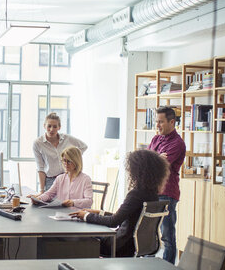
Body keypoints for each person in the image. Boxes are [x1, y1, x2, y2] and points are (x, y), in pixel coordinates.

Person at [70, 149, 169, 257]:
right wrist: (100, 212)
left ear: (139, 171)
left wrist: (87, 216)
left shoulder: (136, 194)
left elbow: (114, 222)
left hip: (120, 245)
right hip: (134, 245)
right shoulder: (152, 195)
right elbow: (126, 218)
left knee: (79, 239)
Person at [148, 106, 186, 264]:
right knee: (147, 232)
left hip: (167, 194)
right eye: (156, 121)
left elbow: (158, 165)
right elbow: (145, 160)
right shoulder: (156, 139)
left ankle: (168, 266)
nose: (157, 125)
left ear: (172, 122)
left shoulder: (177, 143)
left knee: (167, 236)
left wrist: (152, 158)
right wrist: (156, 157)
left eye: (161, 122)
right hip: (152, 191)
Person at [33, 112, 87, 193]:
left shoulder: (67, 138)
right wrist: (41, 190)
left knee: (68, 203)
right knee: (51, 204)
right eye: (49, 126)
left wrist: (73, 157)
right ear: (44, 126)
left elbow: (83, 146)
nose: (51, 129)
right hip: (51, 181)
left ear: (59, 127)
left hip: (68, 178)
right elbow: (40, 168)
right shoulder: (38, 143)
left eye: (55, 126)